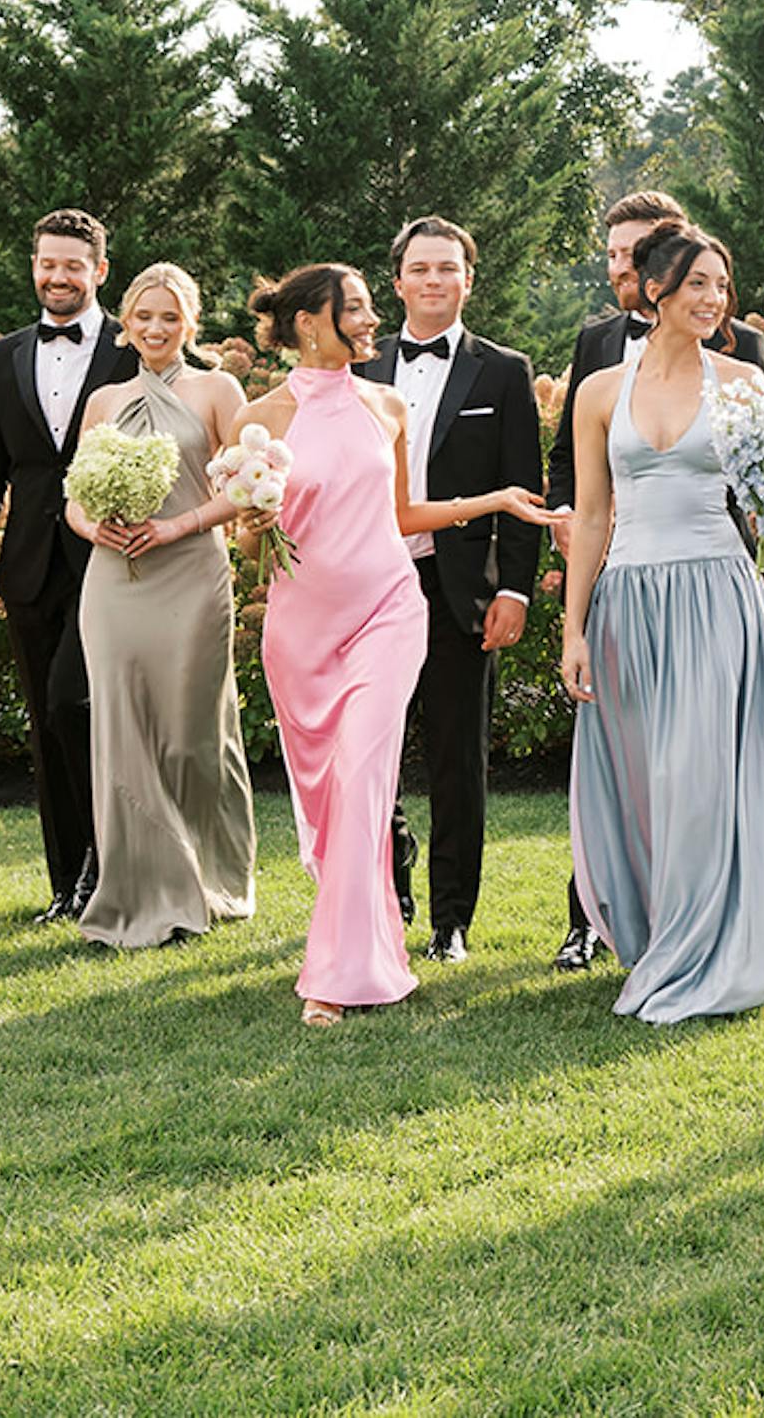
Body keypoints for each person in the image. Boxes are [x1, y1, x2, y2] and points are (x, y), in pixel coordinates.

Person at [242, 265, 550, 1026]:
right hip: (303, 629)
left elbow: (405, 513)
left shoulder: (385, 402)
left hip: (388, 609)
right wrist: (251, 521)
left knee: (363, 776)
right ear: (311, 321)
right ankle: (368, 939)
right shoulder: (260, 418)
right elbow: (251, 540)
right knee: (328, 794)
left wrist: (498, 499)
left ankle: (334, 975)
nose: (373, 317)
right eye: (355, 309)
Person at [555, 222, 764, 1022]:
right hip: (627, 598)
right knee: (641, 783)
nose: (715, 299)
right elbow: (592, 516)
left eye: (722, 286)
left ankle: (704, 956)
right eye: (698, 284)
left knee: (699, 780)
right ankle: (660, 937)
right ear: (655, 288)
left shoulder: (743, 384)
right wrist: (574, 628)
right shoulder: (598, 392)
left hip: (716, 591)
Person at [356, 216, 545, 964]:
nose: (434, 280)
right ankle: (387, 877)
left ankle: (450, 920)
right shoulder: (359, 369)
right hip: (368, 580)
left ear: (470, 279)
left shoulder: (502, 370)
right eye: (421, 268)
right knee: (367, 747)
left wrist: (517, 591)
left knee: (456, 757)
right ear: (397, 280)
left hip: (458, 586)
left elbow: (524, 488)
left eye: (449, 268)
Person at [0, 208, 139, 922]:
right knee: (47, 721)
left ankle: (110, 865)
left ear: (100, 270)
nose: (57, 276)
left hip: (116, 559)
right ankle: (69, 882)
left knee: (78, 703)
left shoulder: (136, 344)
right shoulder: (5, 356)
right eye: (46, 263)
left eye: (72, 264)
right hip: (28, 561)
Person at [65, 262, 257, 950]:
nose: (154, 328)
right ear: (126, 322)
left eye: (169, 317)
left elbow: (251, 484)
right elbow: (74, 500)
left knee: (189, 734)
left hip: (192, 575)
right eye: (143, 316)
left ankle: (213, 876)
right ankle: (143, 892)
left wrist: (179, 524)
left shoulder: (217, 389)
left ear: (191, 323)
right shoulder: (103, 401)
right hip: (114, 582)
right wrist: (98, 528)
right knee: (120, 731)